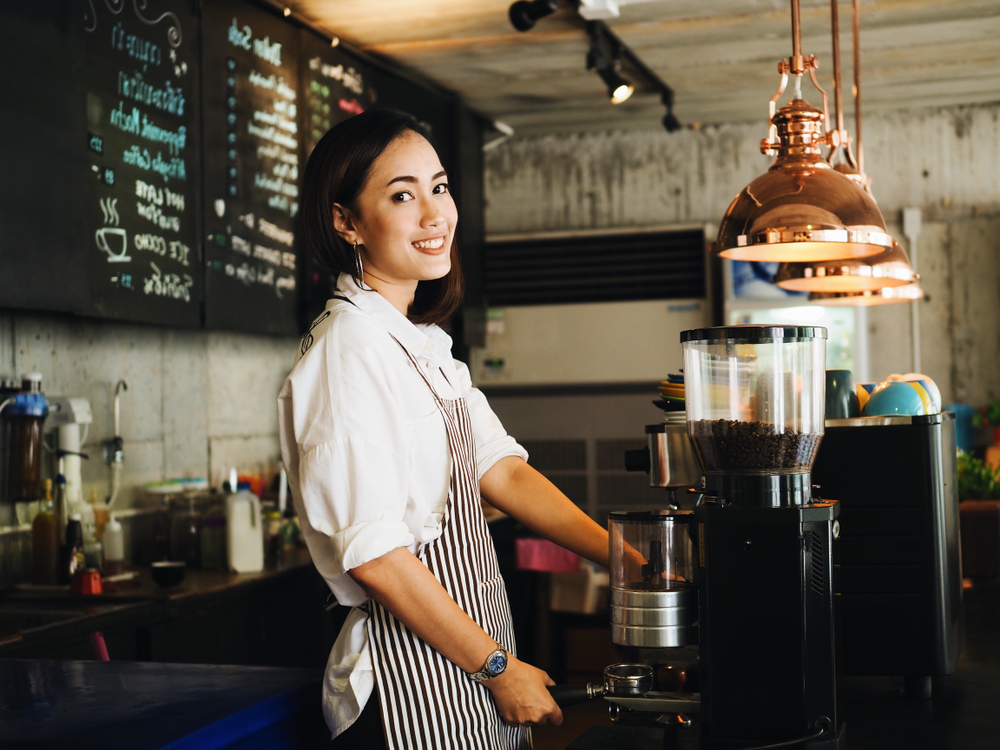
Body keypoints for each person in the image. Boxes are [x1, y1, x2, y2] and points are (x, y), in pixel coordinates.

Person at [278, 108, 609, 749]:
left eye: (440, 186)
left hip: (467, 661)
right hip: (409, 686)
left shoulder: (419, 342)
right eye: (403, 195)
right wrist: (496, 666)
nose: (436, 215)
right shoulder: (349, 350)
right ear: (346, 222)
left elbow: (501, 469)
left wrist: (629, 562)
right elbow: (375, 557)